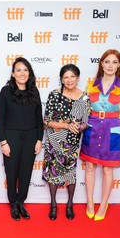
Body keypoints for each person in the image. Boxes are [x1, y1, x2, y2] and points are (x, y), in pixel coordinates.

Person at [80, 49, 120, 221]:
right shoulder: (91, 84)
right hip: (92, 127)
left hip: (113, 128)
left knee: (108, 168)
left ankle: (103, 204)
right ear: (101, 63)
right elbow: (85, 109)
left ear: (119, 65)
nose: (110, 65)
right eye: (107, 62)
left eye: (114, 62)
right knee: (89, 166)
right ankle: (89, 202)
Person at [0, 57, 43, 221]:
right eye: (18, 70)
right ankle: (13, 204)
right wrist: (3, 142)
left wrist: (39, 140)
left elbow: (39, 119)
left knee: (26, 172)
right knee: (11, 173)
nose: (22, 73)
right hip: (11, 137)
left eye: (25, 70)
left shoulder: (34, 91)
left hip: (31, 138)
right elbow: (0, 119)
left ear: (29, 73)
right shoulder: (5, 91)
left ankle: (21, 202)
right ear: (13, 74)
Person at [42, 64, 89, 221]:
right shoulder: (54, 95)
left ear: (77, 78)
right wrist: (66, 125)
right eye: (65, 77)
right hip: (54, 139)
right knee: (53, 173)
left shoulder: (84, 98)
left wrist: (79, 127)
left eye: (72, 76)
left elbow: (86, 122)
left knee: (71, 173)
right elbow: (46, 121)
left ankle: (70, 205)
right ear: (61, 79)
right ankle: (53, 204)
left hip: (72, 141)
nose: (69, 80)